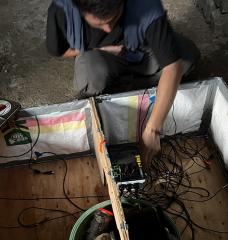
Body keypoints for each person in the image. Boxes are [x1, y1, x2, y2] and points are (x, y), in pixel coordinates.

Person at [46, 0, 200, 162]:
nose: (108, 29)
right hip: (101, 55)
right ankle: (134, 84)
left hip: (142, 48)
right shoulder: (63, 10)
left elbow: (171, 66)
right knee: (90, 78)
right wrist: (100, 49)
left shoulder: (146, 6)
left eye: (113, 20)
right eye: (100, 24)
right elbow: (60, 50)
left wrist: (152, 129)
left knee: (187, 58)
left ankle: (127, 86)